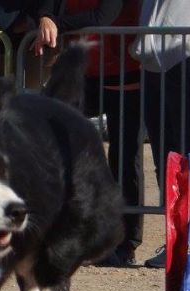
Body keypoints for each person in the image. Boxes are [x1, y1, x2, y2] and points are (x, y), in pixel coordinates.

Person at [45, 0, 143, 266]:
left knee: (125, 154)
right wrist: (45, 15)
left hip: (125, 67)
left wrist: (56, 22)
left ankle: (125, 242)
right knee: (65, 150)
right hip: (83, 68)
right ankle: (70, 232)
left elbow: (105, 14)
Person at [131, 0, 190, 267]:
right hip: (153, 65)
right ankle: (175, 240)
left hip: (182, 59)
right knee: (164, 161)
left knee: (189, 158)